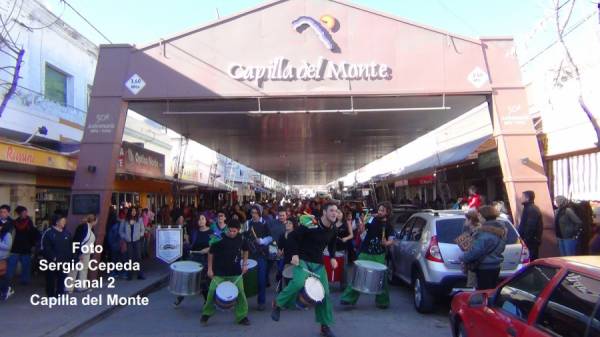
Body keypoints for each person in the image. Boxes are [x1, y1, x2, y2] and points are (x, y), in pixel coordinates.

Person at [271, 202, 339, 337]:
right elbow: (292, 237)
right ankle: (278, 304)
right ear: (324, 212)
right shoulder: (311, 223)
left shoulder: (333, 228)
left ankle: (324, 327)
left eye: (336, 211)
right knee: (298, 283)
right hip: (303, 260)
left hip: (318, 264)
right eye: (331, 210)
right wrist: (295, 254)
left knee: (324, 294)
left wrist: (332, 257)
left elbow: (332, 243)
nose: (334, 213)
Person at [341, 202, 394, 309]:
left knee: (381, 278)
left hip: (379, 254)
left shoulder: (389, 225)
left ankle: (383, 301)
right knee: (358, 275)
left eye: (382, 210)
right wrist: (361, 225)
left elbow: (391, 240)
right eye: (379, 210)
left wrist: (386, 243)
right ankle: (348, 299)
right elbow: (361, 231)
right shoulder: (371, 219)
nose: (379, 212)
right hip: (365, 251)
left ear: (387, 212)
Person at [201, 219, 250, 326]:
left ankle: (242, 317)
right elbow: (210, 253)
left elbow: (246, 250)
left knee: (241, 292)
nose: (232, 233)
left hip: (235, 272)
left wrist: (245, 264)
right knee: (212, 292)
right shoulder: (219, 238)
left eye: (234, 231)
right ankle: (206, 314)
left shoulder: (241, 238)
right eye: (230, 230)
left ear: (238, 230)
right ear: (227, 228)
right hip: (219, 272)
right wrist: (210, 269)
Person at [462, 206, 506, 290]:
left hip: (485, 267)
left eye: (479, 215)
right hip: (495, 265)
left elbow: (477, 250)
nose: (478, 217)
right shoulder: (500, 230)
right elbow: (501, 247)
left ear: (484, 216)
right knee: (491, 291)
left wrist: (463, 258)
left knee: (483, 293)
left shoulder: (485, 232)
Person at [174, 215, 213, 306]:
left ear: (206, 220)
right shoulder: (194, 232)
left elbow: (216, 245)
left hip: (205, 258)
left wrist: (207, 249)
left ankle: (206, 301)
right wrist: (186, 241)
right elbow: (190, 246)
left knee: (203, 281)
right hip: (194, 257)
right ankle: (180, 297)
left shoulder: (211, 232)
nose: (201, 221)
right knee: (188, 278)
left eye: (203, 219)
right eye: (199, 219)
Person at [244, 204, 272, 311]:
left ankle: (261, 301)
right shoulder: (247, 223)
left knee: (261, 279)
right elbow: (244, 235)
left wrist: (262, 241)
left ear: (259, 213)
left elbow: (270, 237)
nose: (254, 215)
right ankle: (244, 301)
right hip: (249, 254)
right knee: (247, 278)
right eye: (252, 213)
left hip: (261, 254)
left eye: (256, 213)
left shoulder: (265, 223)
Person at [7, 206, 39, 289]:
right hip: (16, 247)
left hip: (25, 247)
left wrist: (33, 245)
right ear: (19, 213)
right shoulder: (14, 222)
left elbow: (33, 234)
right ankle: (7, 280)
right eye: (23, 212)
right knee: (12, 265)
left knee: (26, 265)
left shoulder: (29, 222)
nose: (25, 214)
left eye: (26, 212)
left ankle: (25, 281)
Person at [41, 215, 73, 297]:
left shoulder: (67, 233)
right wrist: (53, 257)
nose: (64, 222)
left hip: (64, 261)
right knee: (50, 279)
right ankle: (50, 295)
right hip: (52, 261)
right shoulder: (48, 233)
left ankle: (60, 293)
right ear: (57, 222)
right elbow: (45, 247)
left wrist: (71, 258)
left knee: (62, 278)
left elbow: (71, 246)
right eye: (63, 221)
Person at [69, 214, 97, 292]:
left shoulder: (90, 228)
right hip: (80, 251)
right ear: (94, 221)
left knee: (83, 269)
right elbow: (78, 240)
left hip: (87, 252)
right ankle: (69, 287)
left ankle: (81, 286)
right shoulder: (83, 228)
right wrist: (79, 252)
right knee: (74, 269)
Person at [120, 208, 146, 280]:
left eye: (135, 211)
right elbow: (121, 231)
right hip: (129, 241)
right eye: (132, 211)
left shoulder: (139, 219)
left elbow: (142, 229)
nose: (134, 212)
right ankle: (129, 275)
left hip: (137, 240)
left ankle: (139, 274)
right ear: (129, 212)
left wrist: (140, 235)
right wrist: (125, 237)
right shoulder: (125, 220)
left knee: (138, 257)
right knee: (129, 258)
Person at [517, 191, 543, 261]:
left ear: (527, 198)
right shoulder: (528, 208)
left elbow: (530, 226)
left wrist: (526, 239)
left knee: (531, 260)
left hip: (531, 241)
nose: (520, 198)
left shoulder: (531, 209)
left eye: (522, 197)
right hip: (529, 240)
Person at [460, 209, 482, 288]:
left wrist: (463, 258)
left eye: (466, 219)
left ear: (470, 220)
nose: (464, 221)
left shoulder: (478, 231)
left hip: (475, 264)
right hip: (472, 264)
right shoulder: (471, 231)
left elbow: (473, 250)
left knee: (473, 286)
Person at [333, 210, 353, 287]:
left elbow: (351, 235)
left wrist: (346, 238)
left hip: (343, 248)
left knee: (343, 267)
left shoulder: (347, 223)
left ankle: (344, 284)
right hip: (333, 247)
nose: (337, 214)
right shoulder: (333, 222)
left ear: (342, 214)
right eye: (336, 212)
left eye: (339, 213)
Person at [276, 219, 297, 292]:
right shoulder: (282, 235)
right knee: (288, 282)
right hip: (287, 262)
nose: (287, 224)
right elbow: (280, 248)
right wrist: (279, 252)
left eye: (290, 223)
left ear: (294, 225)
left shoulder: (297, 235)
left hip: (296, 262)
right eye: (287, 223)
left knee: (295, 283)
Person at [0, 204, 15, 300]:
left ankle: (6, 290)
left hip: (4, 256)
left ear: (8, 213)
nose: (2, 214)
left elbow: (8, 246)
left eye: (4, 212)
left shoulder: (11, 225)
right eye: (1, 212)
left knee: (4, 275)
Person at [107, 211, 127, 279]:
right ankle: (123, 272)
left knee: (115, 260)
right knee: (123, 259)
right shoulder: (124, 225)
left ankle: (115, 272)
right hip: (120, 245)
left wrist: (111, 245)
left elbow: (110, 237)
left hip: (115, 245)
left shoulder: (114, 225)